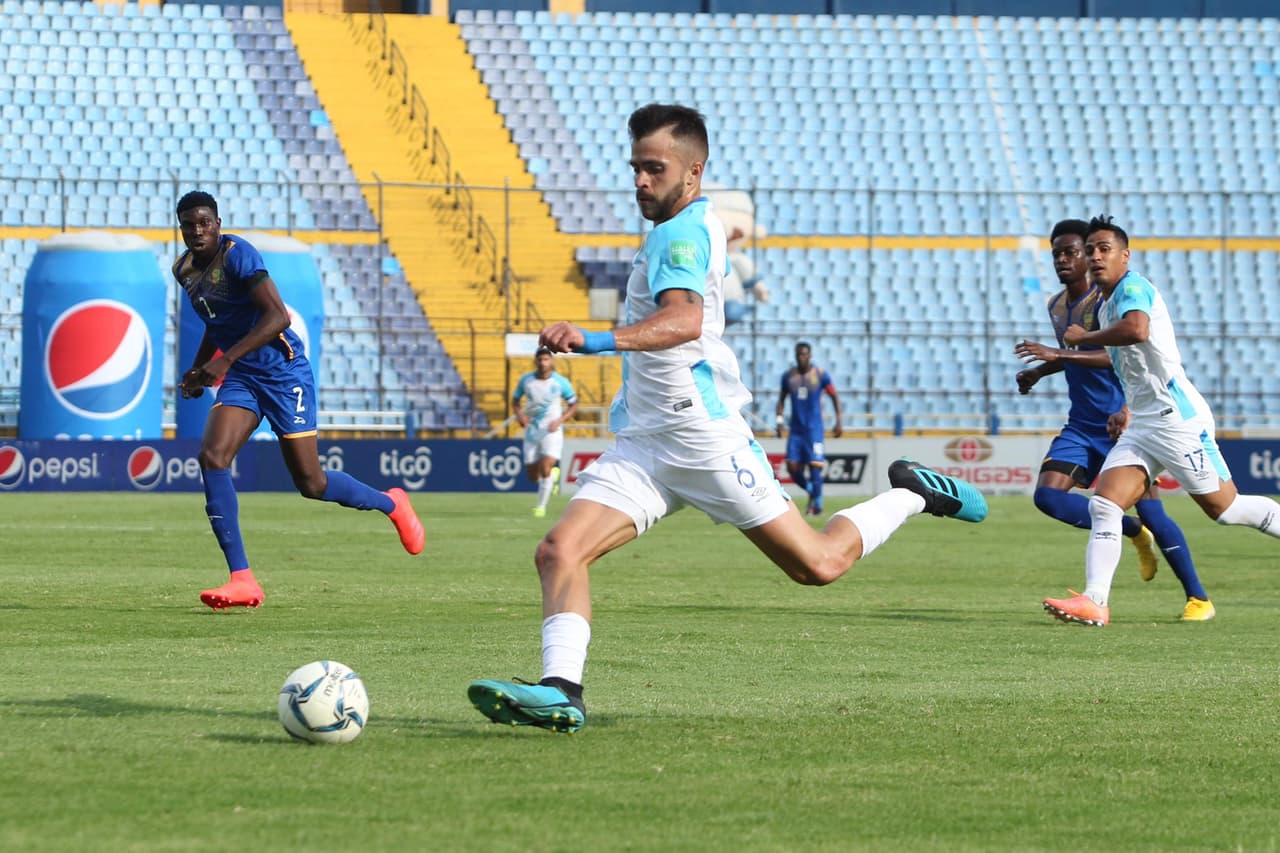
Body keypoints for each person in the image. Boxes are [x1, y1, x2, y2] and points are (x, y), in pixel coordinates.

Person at [466, 104, 988, 734]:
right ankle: (561, 692)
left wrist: (595, 340)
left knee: (817, 565)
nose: (639, 181)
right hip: (647, 444)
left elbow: (685, 320)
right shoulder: (688, 222)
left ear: (693, 171)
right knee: (558, 551)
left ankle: (910, 494)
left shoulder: (679, 234)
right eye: (635, 167)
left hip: (702, 437)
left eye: (653, 168)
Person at [173, 191, 424, 610]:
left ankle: (391, 503)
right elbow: (215, 323)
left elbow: (278, 317)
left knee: (311, 483)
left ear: (218, 222)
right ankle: (243, 579)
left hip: (284, 372)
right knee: (213, 457)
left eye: (204, 223)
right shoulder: (184, 270)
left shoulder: (238, 255)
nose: (197, 231)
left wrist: (224, 361)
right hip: (244, 378)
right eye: (188, 224)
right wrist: (201, 368)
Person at [1043, 215, 1280, 627]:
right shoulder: (1104, 300)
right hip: (1144, 422)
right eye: (1093, 250)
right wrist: (1128, 409)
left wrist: (1081, 340)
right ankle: (1095, 600)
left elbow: (1136, 331)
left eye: (1105, 250)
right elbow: (1130, 364)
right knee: (1104, 505)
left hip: (1175, 419)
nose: (1097, 257)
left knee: (1226, 509)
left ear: (1124, 256)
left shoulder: (1133, 288)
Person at [1015, 219, 1213, 621]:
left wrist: (1121, 406)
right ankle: (1130, 531)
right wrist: (1041, 370)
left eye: (1073, 252)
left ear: (1091, 258)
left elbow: (1114, 355)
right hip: (1081, 424)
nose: (1065, 259)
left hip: (1122, 422)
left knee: (1158, 514)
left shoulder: (1105, 304)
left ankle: (1198, 598)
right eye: (1058, 253)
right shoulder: (1056, 305)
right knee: (1047, 496)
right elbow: (1070, 356)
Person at [776, 341, 843, 516]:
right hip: (796, 431)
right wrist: (779, 420)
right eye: (799, 354)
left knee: (815, 467)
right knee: (791, 467)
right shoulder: (789, 377)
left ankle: (818, 507)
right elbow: (781, 399)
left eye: (805, 354)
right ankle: (813, 492)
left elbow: (834, 396)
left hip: (814, 430)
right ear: (795, 356)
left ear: (810, 355)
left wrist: (839, 421)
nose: (802, 357)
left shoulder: (820, 375)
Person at [513, 346, 579, 518]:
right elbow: (515, 400)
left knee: (545, 468)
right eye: (540, 360)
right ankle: (553, 476)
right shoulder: (526, 381)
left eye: (546, 359)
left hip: (552, 431)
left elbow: (574, 404)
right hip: (532, 431)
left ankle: (540, 508)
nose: (543, 363)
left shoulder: (560, 382)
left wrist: (560, 420)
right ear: (536, 361)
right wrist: (520, 416)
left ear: (552, 361)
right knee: (533, 476)